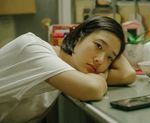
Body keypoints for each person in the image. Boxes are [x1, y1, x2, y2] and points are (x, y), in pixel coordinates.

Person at [0, 16, 136, 123]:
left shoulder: (72, 70)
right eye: (98, 45)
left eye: (109, 58)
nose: (100, 60)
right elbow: (91, 89)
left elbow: (127, 74)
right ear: (78, 38)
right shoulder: (32, 48)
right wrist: (100, 76)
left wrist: (113, 46)